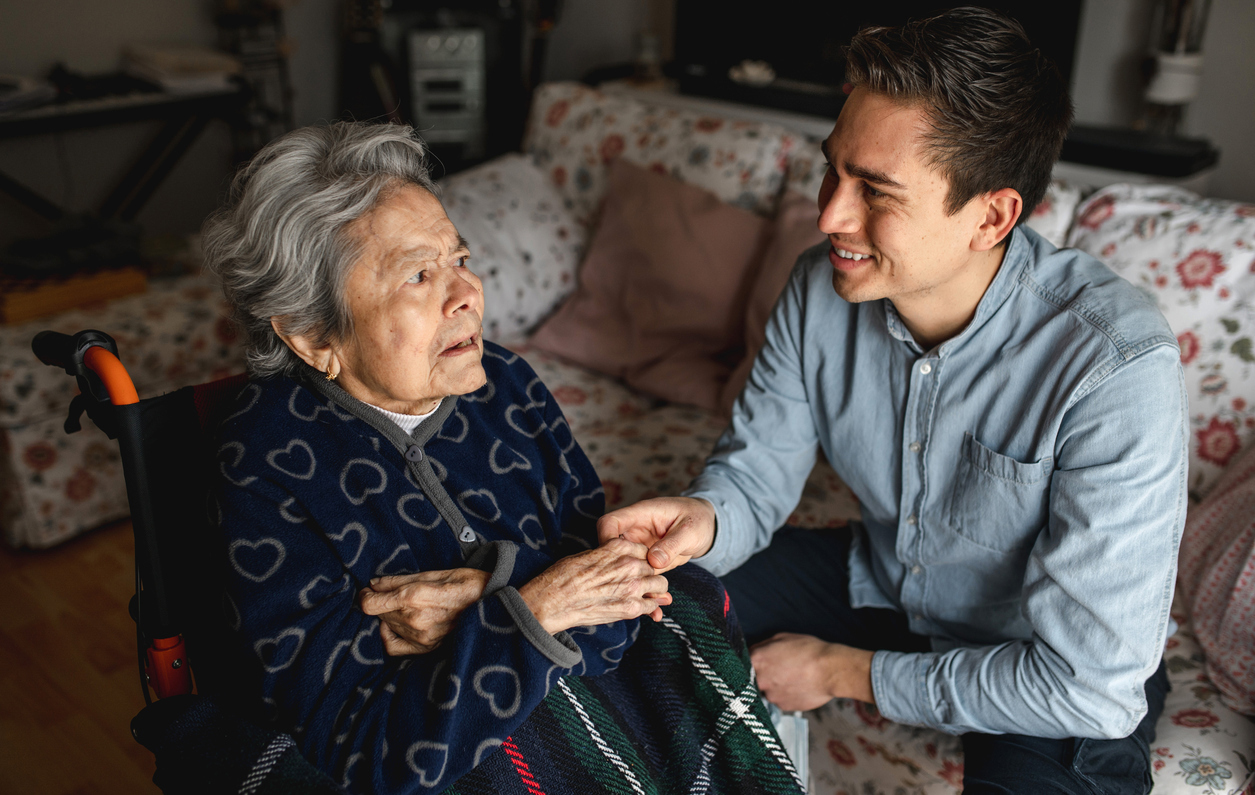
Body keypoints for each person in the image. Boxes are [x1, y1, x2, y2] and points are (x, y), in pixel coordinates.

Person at [600, 8, 1184, 794]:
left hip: (1036, 648)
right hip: (876, 579)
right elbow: (755, 472)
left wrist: (843, 672)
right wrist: (704, 520)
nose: (829, 215)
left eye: (874, 191)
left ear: (991, 216)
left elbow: (1088, 682)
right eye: (832, 169)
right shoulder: (818, 287)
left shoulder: (1113, 364)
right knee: (632, 606)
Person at [204, 122, 804, 795]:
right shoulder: (265, 463)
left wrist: (499, 596)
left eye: (459, 259)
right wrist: (537, 609)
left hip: (558, 696)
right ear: (314, 335)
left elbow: (622, 602)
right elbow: (367, 742)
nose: (465, 295)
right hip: (444, 755)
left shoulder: (507, 385)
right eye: (419, 275)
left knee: (684, 593)